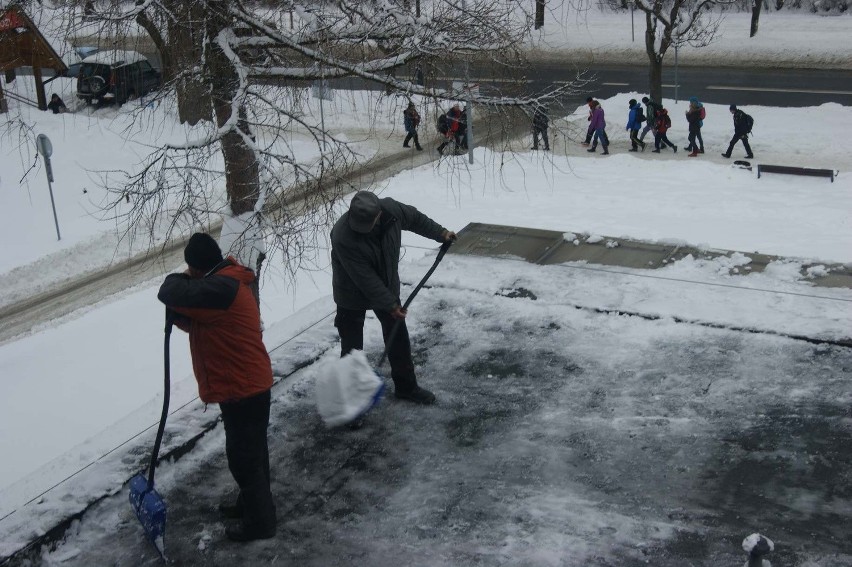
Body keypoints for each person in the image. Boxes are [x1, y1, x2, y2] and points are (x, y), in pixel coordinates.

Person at [157, 233, 276, 542]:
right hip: (245, 383)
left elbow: (168, 289)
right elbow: (203, 322)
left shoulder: (221, 287)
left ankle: (261, 524)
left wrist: (182, 284)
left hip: (243, 387)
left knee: (244, 458)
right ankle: (251, 506)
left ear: (196, 268)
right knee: (252, 453)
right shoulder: (223, 282)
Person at [330, 191, 456, 405]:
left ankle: (406, 387)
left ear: (378, 215)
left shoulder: (392, 211)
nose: (360, 229)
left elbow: (415, 219)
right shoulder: (343, 235)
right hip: (350, 291)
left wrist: (441, 233)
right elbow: (365, 278)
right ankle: (353, 400)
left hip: (386, 282)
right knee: (352, 348)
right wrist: (390, 304)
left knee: (397, 335)